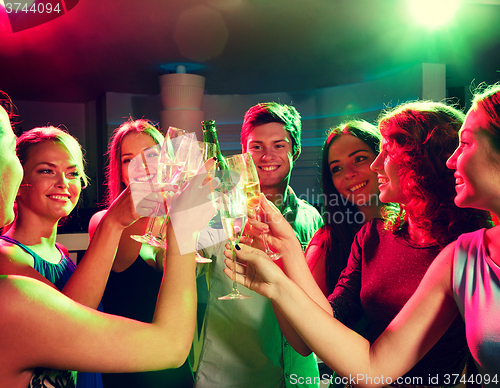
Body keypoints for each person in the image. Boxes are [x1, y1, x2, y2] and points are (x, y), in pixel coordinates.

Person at [224, 97, 500, 387]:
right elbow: (327, 325)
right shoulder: (374, 234)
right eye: (336, 168)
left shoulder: (465, 250)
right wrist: (287, 252)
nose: (374, 166)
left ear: (422, 161)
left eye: (385, 152)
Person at [0, 93, 215, 388]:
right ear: (18, 180)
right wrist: (179, 221)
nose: (64, 182)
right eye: (47, 170)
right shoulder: (9, 260)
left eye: (73, 173)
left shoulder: (61, 254)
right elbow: (68, 330)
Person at [194, 102, 324, 387]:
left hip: (301, 377)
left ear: (296, 150)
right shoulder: (218, 212)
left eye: (279, 145)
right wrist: (186, 207)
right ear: (244, 152)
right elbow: (179, 266)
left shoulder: (312, 217)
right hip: (231, 376)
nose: (267, 156)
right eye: (256, 147)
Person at [88, 118, 194, 388]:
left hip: (176, 363)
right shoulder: (105, 222)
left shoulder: (182, 218)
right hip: (128, 364)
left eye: (152, 156)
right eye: (128, 159)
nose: (142, 167)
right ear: (121, 171)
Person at [305, 120, 383, 297]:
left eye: (359, 159)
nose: (348, 173)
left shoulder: (416, 227)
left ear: (382, 157)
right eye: (337, 168)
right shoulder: (325, 246)